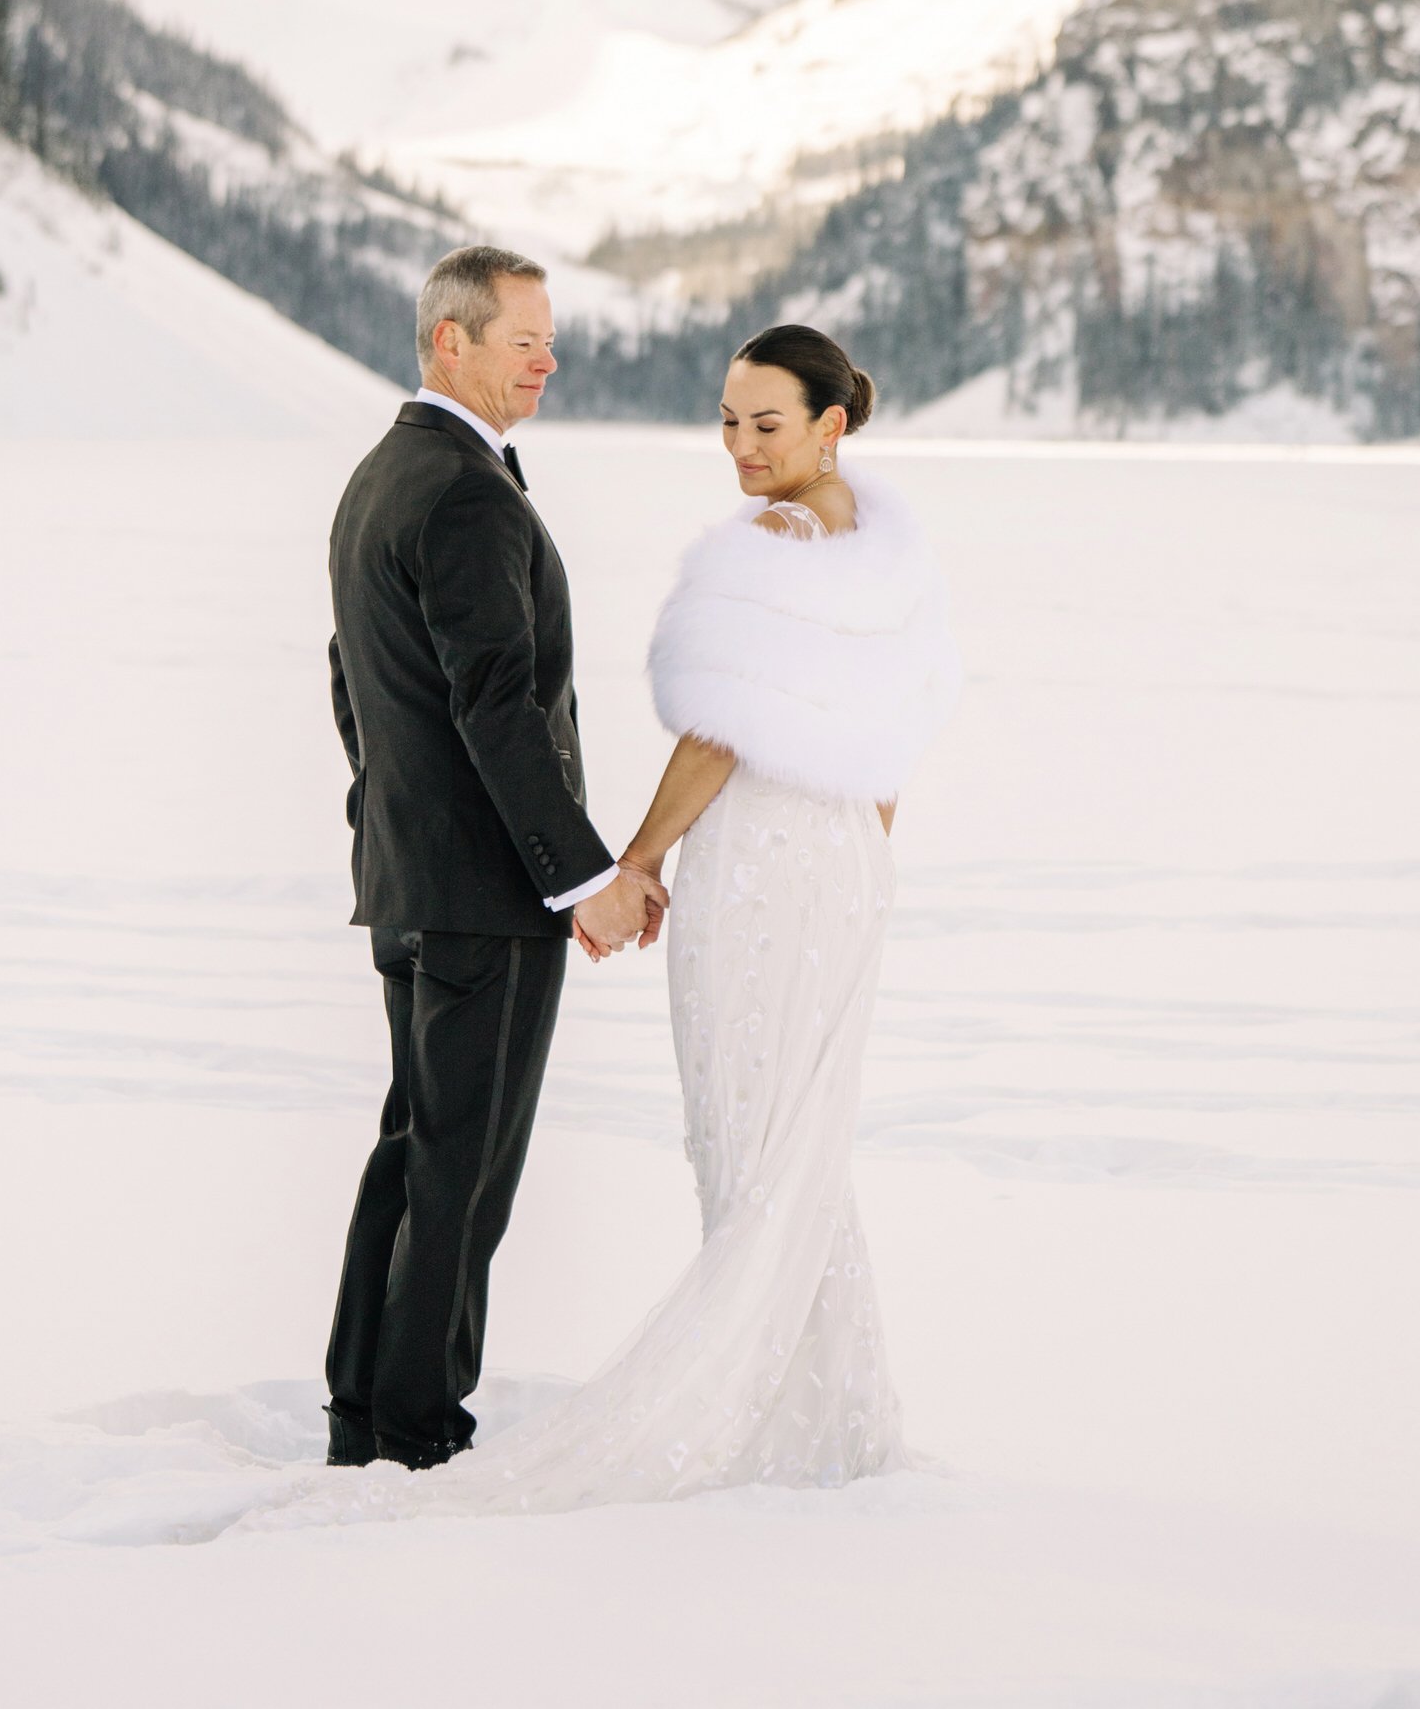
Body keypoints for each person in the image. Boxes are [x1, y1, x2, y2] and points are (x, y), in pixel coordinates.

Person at [286, 315, 961, 1519]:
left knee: (750, 1137)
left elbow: (718, 734)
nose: (741, 448)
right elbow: (896, 727)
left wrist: (633, 861)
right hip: (849, 857)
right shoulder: (887, 548)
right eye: (727, 421)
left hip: (760, 859)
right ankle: (825, 1409)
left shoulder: (771, 540)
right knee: (800, 1140)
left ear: (830, 424)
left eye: (767, 424)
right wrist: (863, 860)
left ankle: (733, 1404)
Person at [322, 244, 667, 1473]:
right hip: (484, 897)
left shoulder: (383, 474)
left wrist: (393, 821)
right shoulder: (464, 492)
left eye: (549, 337)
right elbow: (496, 706)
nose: (548, 359)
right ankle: (417, 1438)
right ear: (449, 342)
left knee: (414, 1157)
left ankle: (363, 1417)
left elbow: (353, 688)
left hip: (411, 884)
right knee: (461, 1183)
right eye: (524, 338)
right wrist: (581, 878)